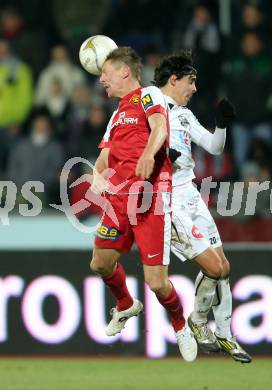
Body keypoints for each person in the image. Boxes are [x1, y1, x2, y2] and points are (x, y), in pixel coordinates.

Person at [90, 47, 197, 362]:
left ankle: (180, 325)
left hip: (150, 197)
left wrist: (150, 154)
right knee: (99, 263)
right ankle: (125, 305)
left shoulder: (149, 94)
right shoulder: (116, 113)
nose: (101, 79)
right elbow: (104, 155)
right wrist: (97, 176)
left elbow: (160, 127)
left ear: (124, 71)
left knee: (156, 282)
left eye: (105, 73)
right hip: (120, 199)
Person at [153, 51, 252, 363]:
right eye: (190, 81)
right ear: (174, 80)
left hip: (191, 193)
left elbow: (214, 147)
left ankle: (223, 332)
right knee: (212, 267)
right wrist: (158, 160)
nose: (194, 88)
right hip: (169, 201)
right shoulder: (150, 110)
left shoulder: (182, 114)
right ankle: (197, 322)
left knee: (223, 268)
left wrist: (221, 125)